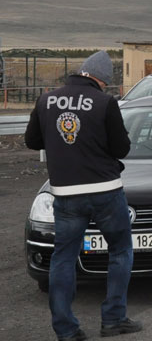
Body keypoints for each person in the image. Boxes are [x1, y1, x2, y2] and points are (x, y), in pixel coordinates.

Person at [24, 50, 143, 340]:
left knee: (63, 258)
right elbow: (121, 149)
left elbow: (32, 140)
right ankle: (114, 319)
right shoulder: (104, 102)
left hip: (65, 193)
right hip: (106, 191)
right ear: (102, 80)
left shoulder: (46, 100)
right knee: (120, 250)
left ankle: (66, 330)